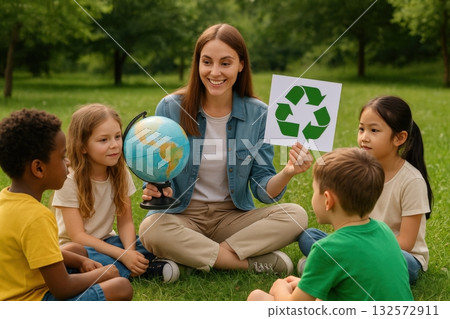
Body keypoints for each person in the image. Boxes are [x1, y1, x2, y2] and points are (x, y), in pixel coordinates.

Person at [139, 23, 311, 275]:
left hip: (233, 218)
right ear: (197, 64)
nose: (215, 72)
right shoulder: (170, 107)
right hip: (183, 215)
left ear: (241, 64)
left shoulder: (259, 114)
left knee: (296, 215)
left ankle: (194, 258)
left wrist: (287, 172)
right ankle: (247, 263)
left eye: (225, 63)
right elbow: (158, 173)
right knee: (151, 228)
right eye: (207, 62)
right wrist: (154, 187)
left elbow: (264, 192)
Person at [247, 148, 413, 301]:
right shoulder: (385, 231)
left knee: (257, 298)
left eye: (314, 191)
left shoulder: (326, 250)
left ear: (327, 200)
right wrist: (306, 285)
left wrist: (279, 289)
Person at [0, 108, 132, 301]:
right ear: (38, 168)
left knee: (77, 251)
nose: (68, 162)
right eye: (62, 157)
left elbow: (40, 252)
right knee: (121, 287)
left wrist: (80, 260)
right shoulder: (36, 217)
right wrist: (105, 273)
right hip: (36, 299)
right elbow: (62, 289)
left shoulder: (6, 200)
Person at [298, 96, 432, 284]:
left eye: (374, 130)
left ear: (399, 138)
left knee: (406, 265)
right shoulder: (360, 170)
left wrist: (361, 247)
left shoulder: (412, 181)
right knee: (309, 236)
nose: (364, 137)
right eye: (361, 129)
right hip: (357, 244)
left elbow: (407, 243)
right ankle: (346, 268)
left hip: (397, 255)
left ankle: (332, 266)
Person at [52, 103, 179, 283]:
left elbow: (126, 221)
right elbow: (78, 236)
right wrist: (123, 256)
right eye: (103, 140)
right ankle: (139, 269)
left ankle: (131, 266)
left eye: (117, 137)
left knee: (150, 242)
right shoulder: (69, 180)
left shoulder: (120, 173)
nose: (114, 145)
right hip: (78, 249)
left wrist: (130, 252)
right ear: (83, 147)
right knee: (92, 258)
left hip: (109, 242)